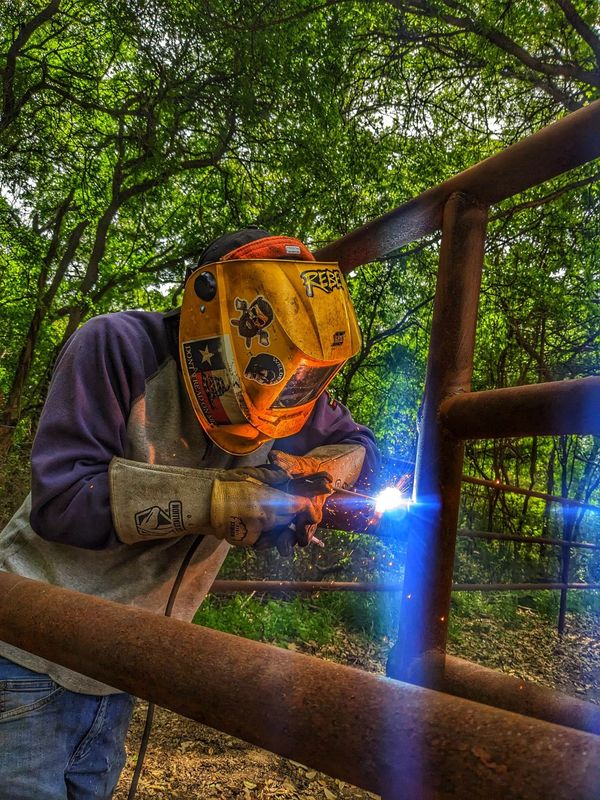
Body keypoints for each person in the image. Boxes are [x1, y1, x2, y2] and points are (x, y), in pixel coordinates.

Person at [0, 227, 380, 800]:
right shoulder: (117, 346)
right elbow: (62, 503)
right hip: (29, 658)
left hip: (119, 669)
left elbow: (362, 447)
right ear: (212, 315)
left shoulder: (291, 387)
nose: (273, 403)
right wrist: (219, 500)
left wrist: (317, 478)